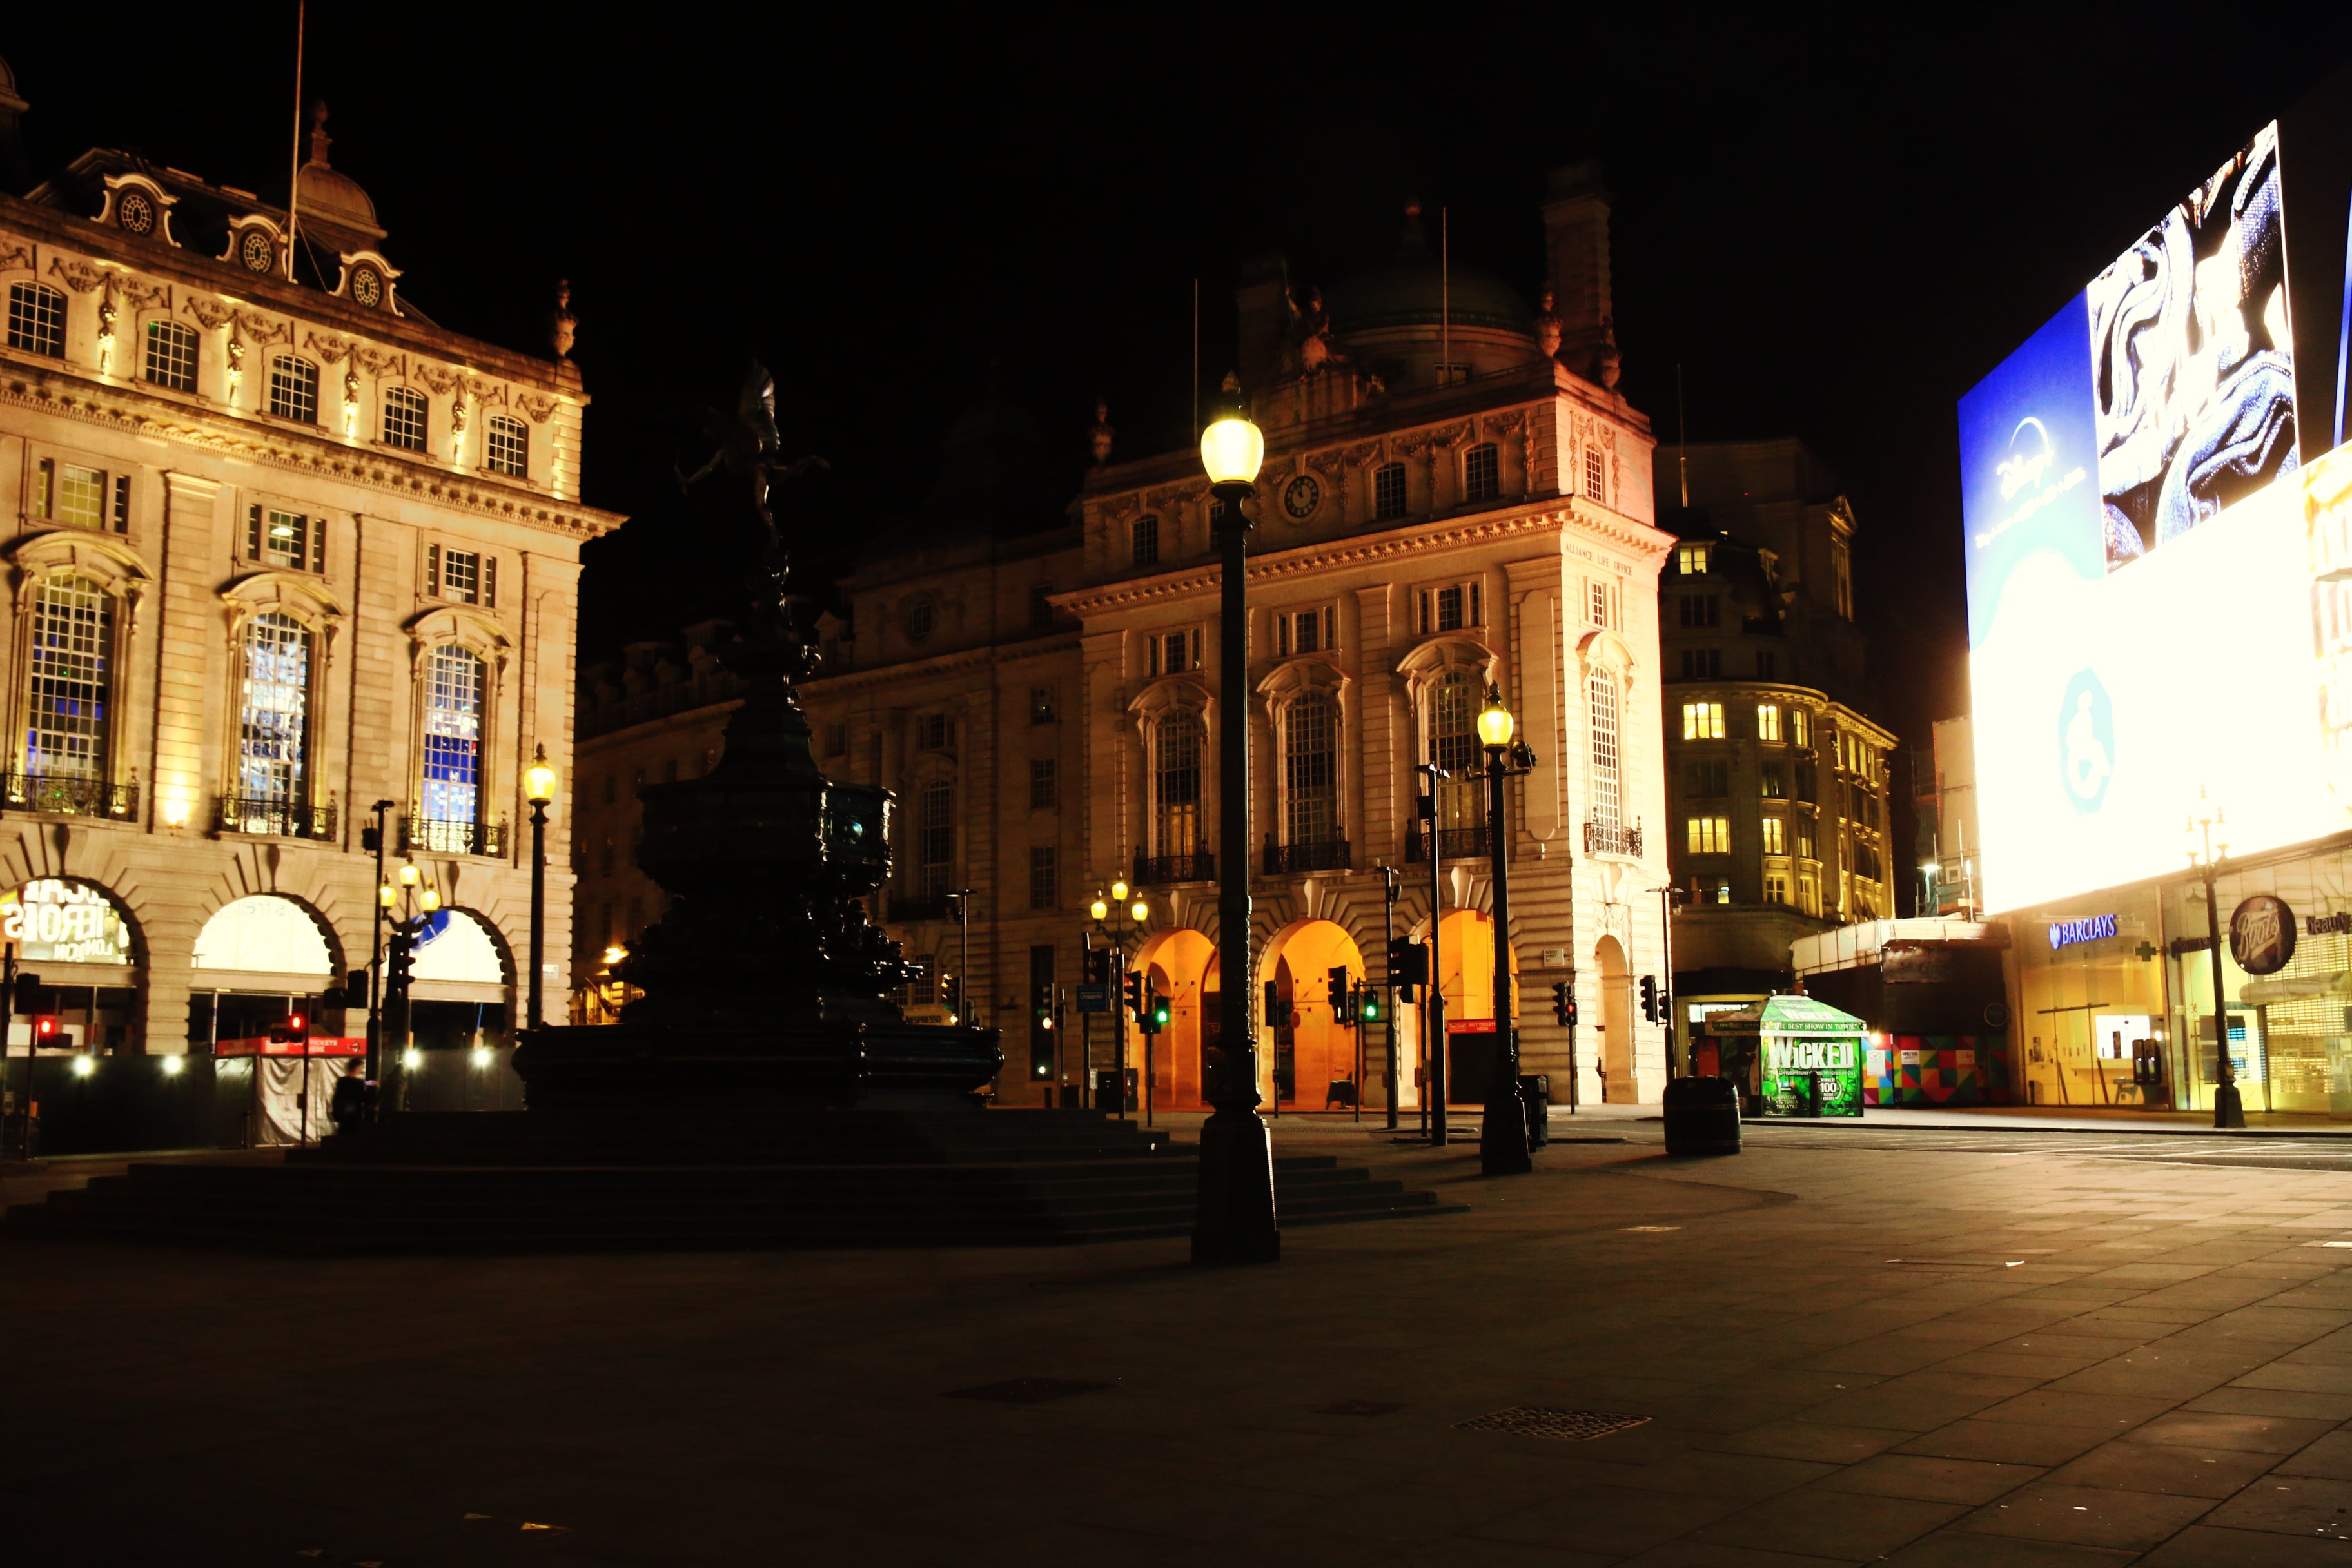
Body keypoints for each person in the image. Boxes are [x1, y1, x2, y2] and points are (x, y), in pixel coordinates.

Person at [329, 1059, 373, 1137]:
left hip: (343, 1116)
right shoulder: (357, 1084)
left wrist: (369, 1083)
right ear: (356, 1068)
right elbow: (365, 1098)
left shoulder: (341, 1082)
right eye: (360, 1068)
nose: (360, 1070)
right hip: (354, 1117)